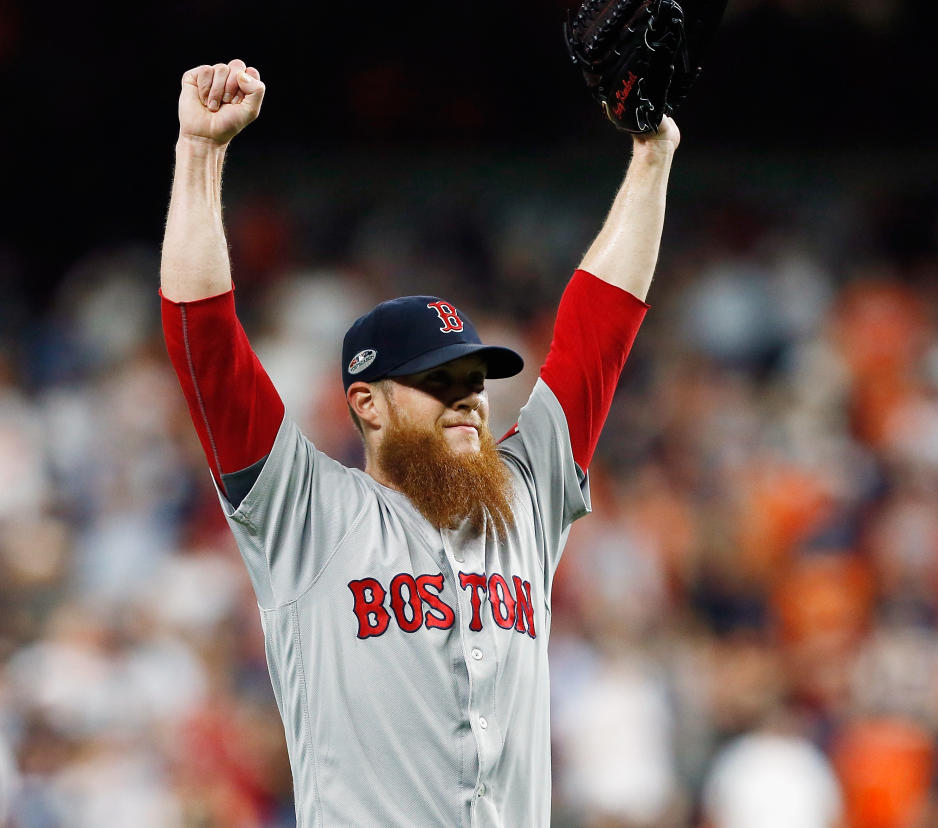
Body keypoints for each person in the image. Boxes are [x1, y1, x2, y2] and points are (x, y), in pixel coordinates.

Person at [159, 59, 679, 826]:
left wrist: (652, 155)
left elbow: (597, 332)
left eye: (475, 377)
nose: (469, 396)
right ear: (365, 402)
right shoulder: (308, 516)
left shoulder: (521, 500)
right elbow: (205, 343)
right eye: (438, 380)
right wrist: (200, 155)